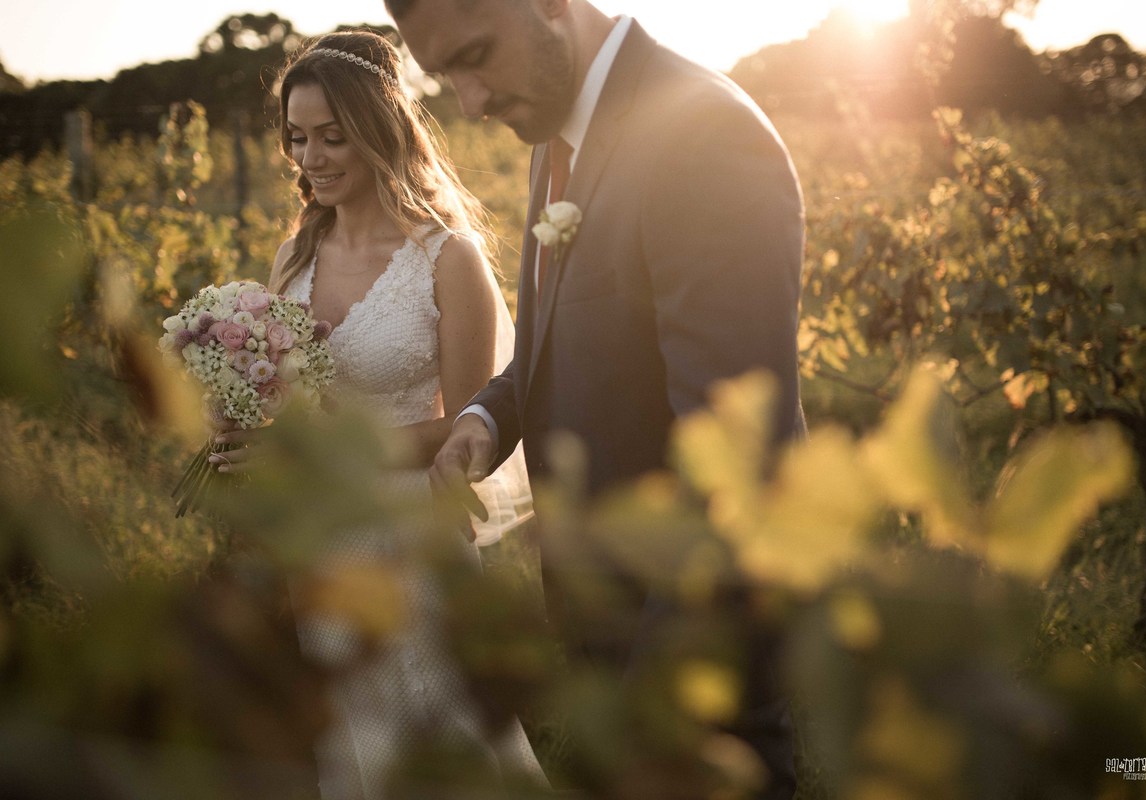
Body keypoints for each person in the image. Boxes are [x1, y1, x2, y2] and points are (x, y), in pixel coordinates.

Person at [386, 2, 806, 798]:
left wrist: (644, 704)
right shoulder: (556, 135)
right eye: (446, 77)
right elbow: (564, 334)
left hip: (690, 648)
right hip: (610, 630)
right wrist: (486, 418)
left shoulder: (701, 136)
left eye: (476, 56)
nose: (469, 102)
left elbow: (736, 463)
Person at [214, 30, 544, 799]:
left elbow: (469, 426)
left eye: (333, 136)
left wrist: (321, 458)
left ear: (380, 131)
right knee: (354, 736)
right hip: (321, 535)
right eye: (297, 138)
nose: (312, 157)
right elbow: (286, 404)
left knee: (443, 730)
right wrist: (240, 428)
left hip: (411, 533)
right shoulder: (293, 255)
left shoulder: (446, 258)